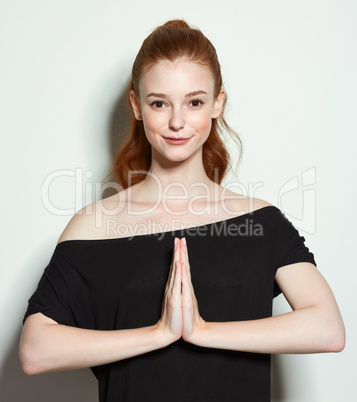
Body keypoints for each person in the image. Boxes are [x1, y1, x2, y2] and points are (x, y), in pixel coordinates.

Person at [20, 19, 345, 402]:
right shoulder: (96, 224)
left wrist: (202, 331)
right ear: (137, 106)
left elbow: (328, 329)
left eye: (194, 102)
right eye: (159, 103)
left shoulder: (260, 222)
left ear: (217, 104)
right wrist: (159, 332)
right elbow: (35, 350)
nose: (177, 121)